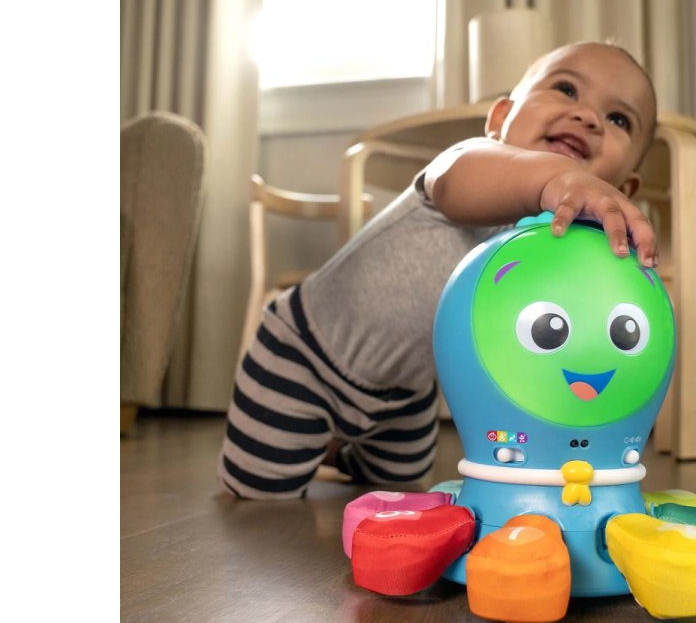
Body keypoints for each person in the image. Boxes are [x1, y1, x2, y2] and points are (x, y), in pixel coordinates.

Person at [218, 41, 660, 499]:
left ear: (624, 188)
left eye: (618, 119)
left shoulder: (561, 245)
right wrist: (557, 178)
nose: (588, 117)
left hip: (405, 395)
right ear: (500, 119)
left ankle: (333, 451)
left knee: (400, 485)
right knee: (257, 494)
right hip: (304, 356)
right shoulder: (471, 161)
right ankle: (311, 438)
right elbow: (454, 184)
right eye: (566, 89)